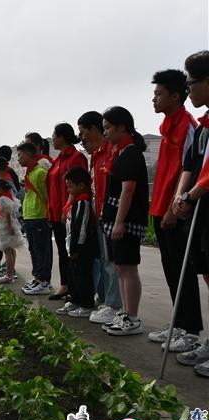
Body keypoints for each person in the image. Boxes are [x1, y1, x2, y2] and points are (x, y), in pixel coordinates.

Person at [146, 69, 203, 352]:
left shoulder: (188, 127)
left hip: (175, 210)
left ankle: (191, 330)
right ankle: (179, 323)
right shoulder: (168, 126)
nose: (153, 99)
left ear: (176, 96)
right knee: (170, 268)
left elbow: (189, 169)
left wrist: (174, 206)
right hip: (159, 208)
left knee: (183, 270)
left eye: (158, 94)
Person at [173, 50, 209, 376]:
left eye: (192, 83)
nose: (189, 90)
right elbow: (194, 166)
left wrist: (190, 194)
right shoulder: (203, 128)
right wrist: (184, 196)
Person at [100, 106, 148, 336]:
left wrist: (119, 222)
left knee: (128, 268)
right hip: (115, 218)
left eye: (108, 128)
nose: (106, 132)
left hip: (126, 221)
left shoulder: (131, 154)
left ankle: (133, 317)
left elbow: (127, 190)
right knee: (120, 267)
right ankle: (125, 312)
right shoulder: (119, 153)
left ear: (122, 127)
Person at [77, 111, 124, 324]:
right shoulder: (95, 155)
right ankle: (106, 300)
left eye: (83, 132)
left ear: (96, 130)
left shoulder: (112, 152)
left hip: (111, 214)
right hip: (99, 215)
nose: (82, 138)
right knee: (104, 260)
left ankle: (114, 305)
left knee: (112, 261)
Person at [47, 123, 88, 300]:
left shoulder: (76, 157)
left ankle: (76, 289)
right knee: (63, 251)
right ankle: (66, 285)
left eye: (54, 135)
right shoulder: (58, 159)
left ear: (62, 137)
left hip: (70, 213)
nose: (52, 139)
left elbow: (80, 186)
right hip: (56, 213)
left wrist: (67, 208)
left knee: (74, 252)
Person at [56, 167, 98, 318]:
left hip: (81, 248)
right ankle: (75, 300)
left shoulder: (83, 203)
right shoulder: (76, 202)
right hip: (73, 247)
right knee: (73, 275)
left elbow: (81, 228)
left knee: (83, 276)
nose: (68, 190)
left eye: (70, 186)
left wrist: (77, 248)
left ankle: (86, 304)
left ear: (81, 186)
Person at [17, 142, 53, 295]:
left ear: (29, 154)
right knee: (33, 248)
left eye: (20, 155)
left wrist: (48, 214)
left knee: (42, 249)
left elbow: (48, 196)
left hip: (40, 216)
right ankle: (37, 277)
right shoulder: (29, 173)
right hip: (29, 216)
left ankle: (44, 281)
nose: (18, 159)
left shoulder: (40, 172)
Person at [0, 178, 23, 284]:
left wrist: (9, 227)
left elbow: (7, 214)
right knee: (11, 251)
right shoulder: (10, 197)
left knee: (8, 252)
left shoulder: (2, 199)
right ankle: (10, 273)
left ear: (0, 189)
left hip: (5, 227)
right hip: (11, 226)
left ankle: (8, 275)